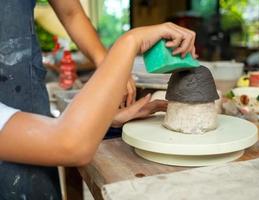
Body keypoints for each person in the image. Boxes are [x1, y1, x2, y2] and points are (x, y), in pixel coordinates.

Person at [0, 0, 197, 199]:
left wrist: (104, 118)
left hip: (33, 127)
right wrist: (130, 42)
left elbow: (71, 13)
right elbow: (69, 145)